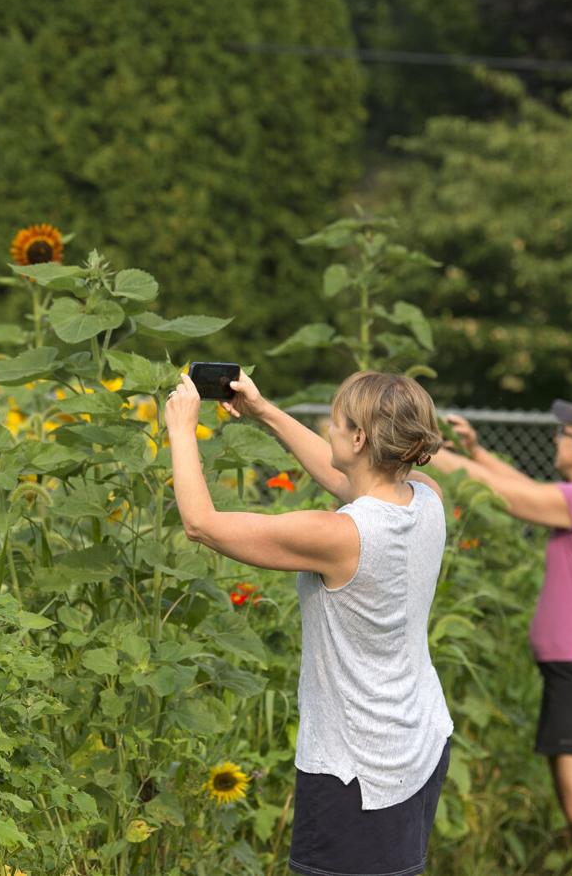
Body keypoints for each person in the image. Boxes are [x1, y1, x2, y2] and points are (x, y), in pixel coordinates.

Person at [165, 369, 453, 876]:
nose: (327, 429)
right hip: (418, 742)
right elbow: (349, 478)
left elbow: (201, 524)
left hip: (356, 768)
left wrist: (180, 428)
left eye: (336, 422)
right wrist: (263, 410)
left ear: (360, 437)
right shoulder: (427, 498)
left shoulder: (341, 535)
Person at [428, 401, 572, 876]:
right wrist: (478, 452)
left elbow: (503, 495)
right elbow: (525, 489)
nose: (556, 438)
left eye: (564, 432)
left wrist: (423, 447)